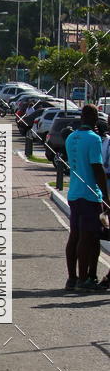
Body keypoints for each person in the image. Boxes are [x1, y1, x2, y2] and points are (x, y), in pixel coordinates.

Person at [65, 104, 110, 291]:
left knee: (75, 236)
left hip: (74, 193)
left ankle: (72, 278)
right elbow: (97, 168)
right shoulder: (93, 139)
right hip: (90, 195)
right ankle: (85, 279)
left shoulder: (71, 137)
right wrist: (106, 196)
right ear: (93, 118)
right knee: (88, 237)